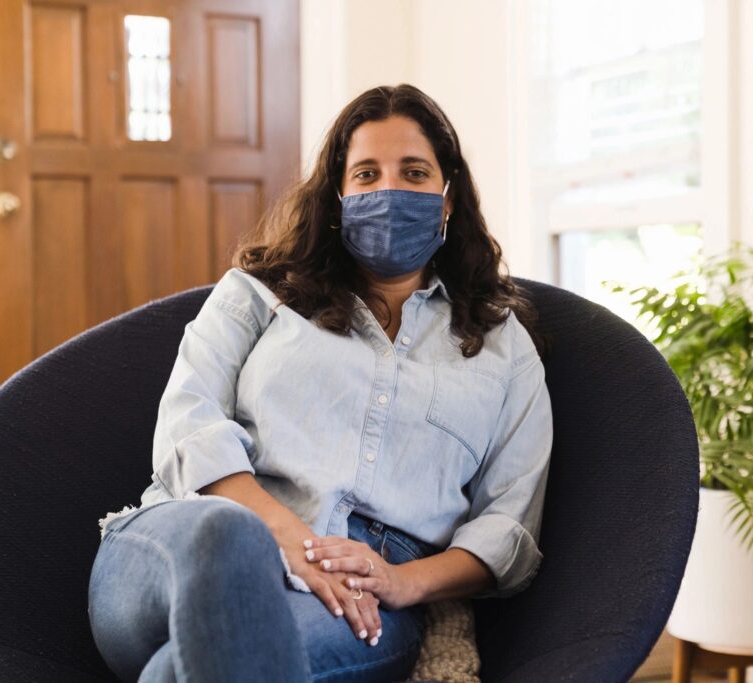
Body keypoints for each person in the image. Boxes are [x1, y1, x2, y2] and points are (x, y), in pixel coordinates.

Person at [87, 83, 554, 682]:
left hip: (358, 593)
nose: (390, 190)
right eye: (366, 174)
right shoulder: (257, 294)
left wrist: (403, 582)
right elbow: (188, 420)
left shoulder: (504, 347)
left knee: (185, 670)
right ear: (337, 198)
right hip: (183, 543)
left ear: (447, 198)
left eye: (414, 172)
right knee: (228, 540)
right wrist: (288, 541)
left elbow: (510, 526)